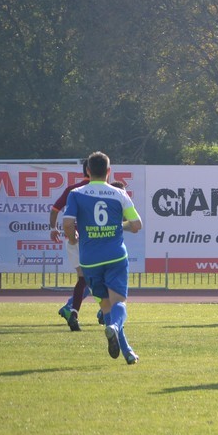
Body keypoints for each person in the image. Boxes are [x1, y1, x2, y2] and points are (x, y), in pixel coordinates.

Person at [61, 151, 143, 364]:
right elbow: (137, 225)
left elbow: (67, 223)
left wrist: (73, 238)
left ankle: (127, 351)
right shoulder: (119, 193)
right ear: (109, 171)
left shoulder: (76, 193)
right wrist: (118, 225)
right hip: (115, 257)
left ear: (88, 171)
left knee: (106, 306)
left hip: (90, 260)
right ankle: (114, 327)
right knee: (119, 303)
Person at [49, 159, 90, 331]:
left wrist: (53, 229)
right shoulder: (102, 190)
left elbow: (55, 209)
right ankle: (107, 314)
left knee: (84, 279)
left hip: (73, 238)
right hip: (92, 240)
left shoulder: (72, 189)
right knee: (102, 278)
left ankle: (72, 311)